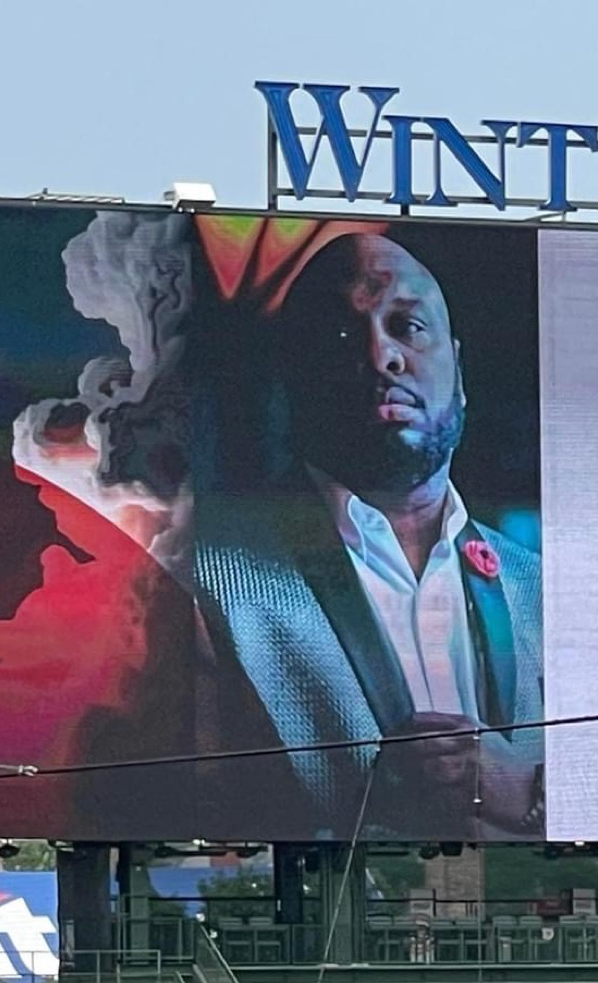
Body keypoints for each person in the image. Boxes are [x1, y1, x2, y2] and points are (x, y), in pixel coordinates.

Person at [191, 231, 545, 843]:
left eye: (408, 326)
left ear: (458, 372)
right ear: (293, 381)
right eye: (340, 337)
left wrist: (532, 791)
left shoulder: (544, 587)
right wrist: (362, 812)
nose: (382, 355)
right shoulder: (206, 581)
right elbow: (179, 804)